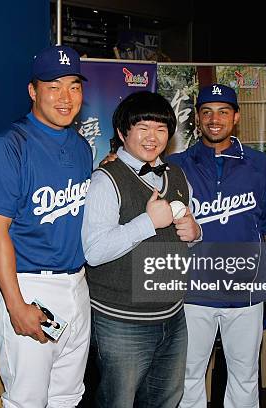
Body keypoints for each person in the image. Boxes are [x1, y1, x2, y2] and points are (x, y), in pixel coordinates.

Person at [0, 45, 92, 407]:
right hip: (29, 284)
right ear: (33, 90)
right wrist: (15, 304)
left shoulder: (81, 146)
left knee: (68, 397)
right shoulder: (9, 147)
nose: (65, 97)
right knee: (27, 400)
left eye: (74, 86)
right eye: (53, 86)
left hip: (77, 284)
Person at [166, 84, 266, 408]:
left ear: (236, 117)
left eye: (223, 111)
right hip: (193, 289)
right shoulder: (177, 164)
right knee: (188, 374)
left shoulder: (259, 164)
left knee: (244, 376)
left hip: (245, 289)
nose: (214, 119)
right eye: (206, 112)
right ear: (197, 118)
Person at [82, 91, 200, 407]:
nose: (152, 137)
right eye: (143, 127)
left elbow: (184, 229)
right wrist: (147, 222)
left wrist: (195, 232)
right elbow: (93, 251)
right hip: (122, 320)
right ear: (122, 132)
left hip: (173, 313)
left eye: (161, 129)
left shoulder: (176, 174)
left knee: (166, 399)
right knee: (117, 401)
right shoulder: (105, 179)